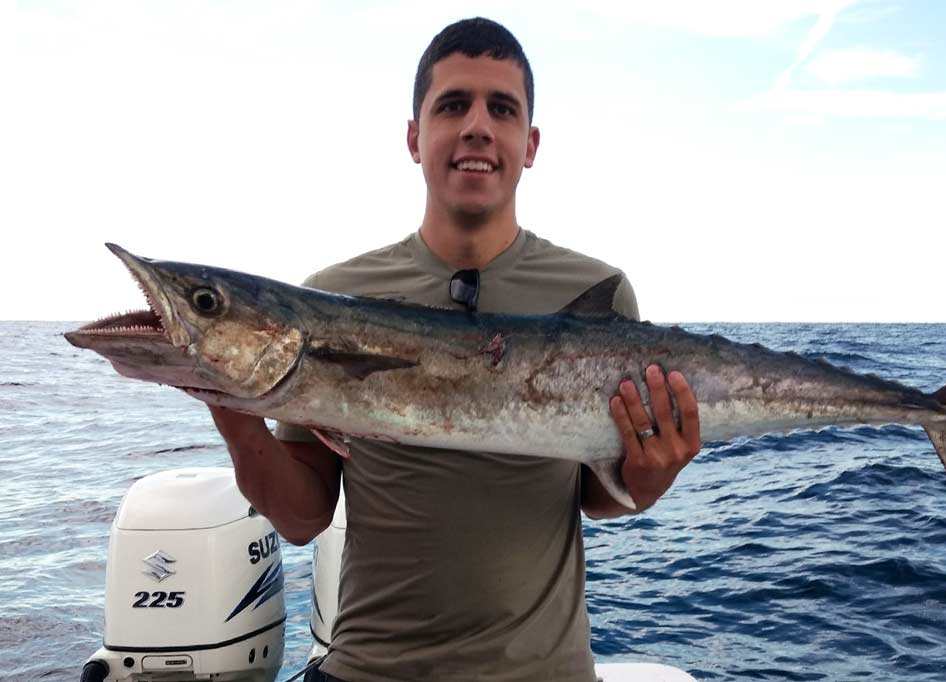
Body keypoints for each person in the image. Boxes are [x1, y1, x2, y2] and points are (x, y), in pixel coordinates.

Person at [209, 17, 701, 682]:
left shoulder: (598, 293)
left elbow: (596, 493)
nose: (478, 126)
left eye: (501, 108)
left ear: (529, 144)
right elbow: (303, 517)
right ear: (415, 138)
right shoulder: (331, 298)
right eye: (452, 105)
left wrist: (648, 480)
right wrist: (233, 411)